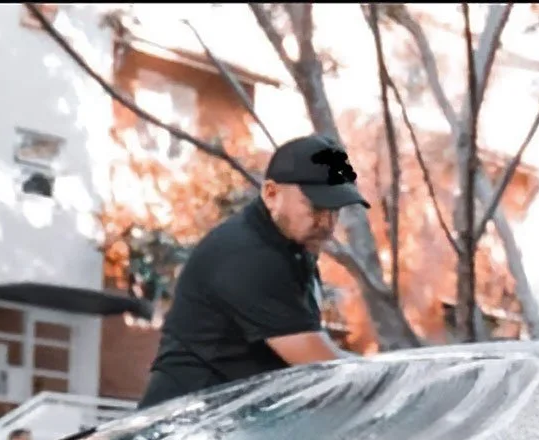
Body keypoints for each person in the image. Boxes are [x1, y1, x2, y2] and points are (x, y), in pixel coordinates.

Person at [137, 135, 368, 410]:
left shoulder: (289, 245)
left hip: (226, 424)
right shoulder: (250, 255)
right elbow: (323, 368)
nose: (327, 224)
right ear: (271, 194)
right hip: (186, 429)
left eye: (335, 210)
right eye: (316, 207)